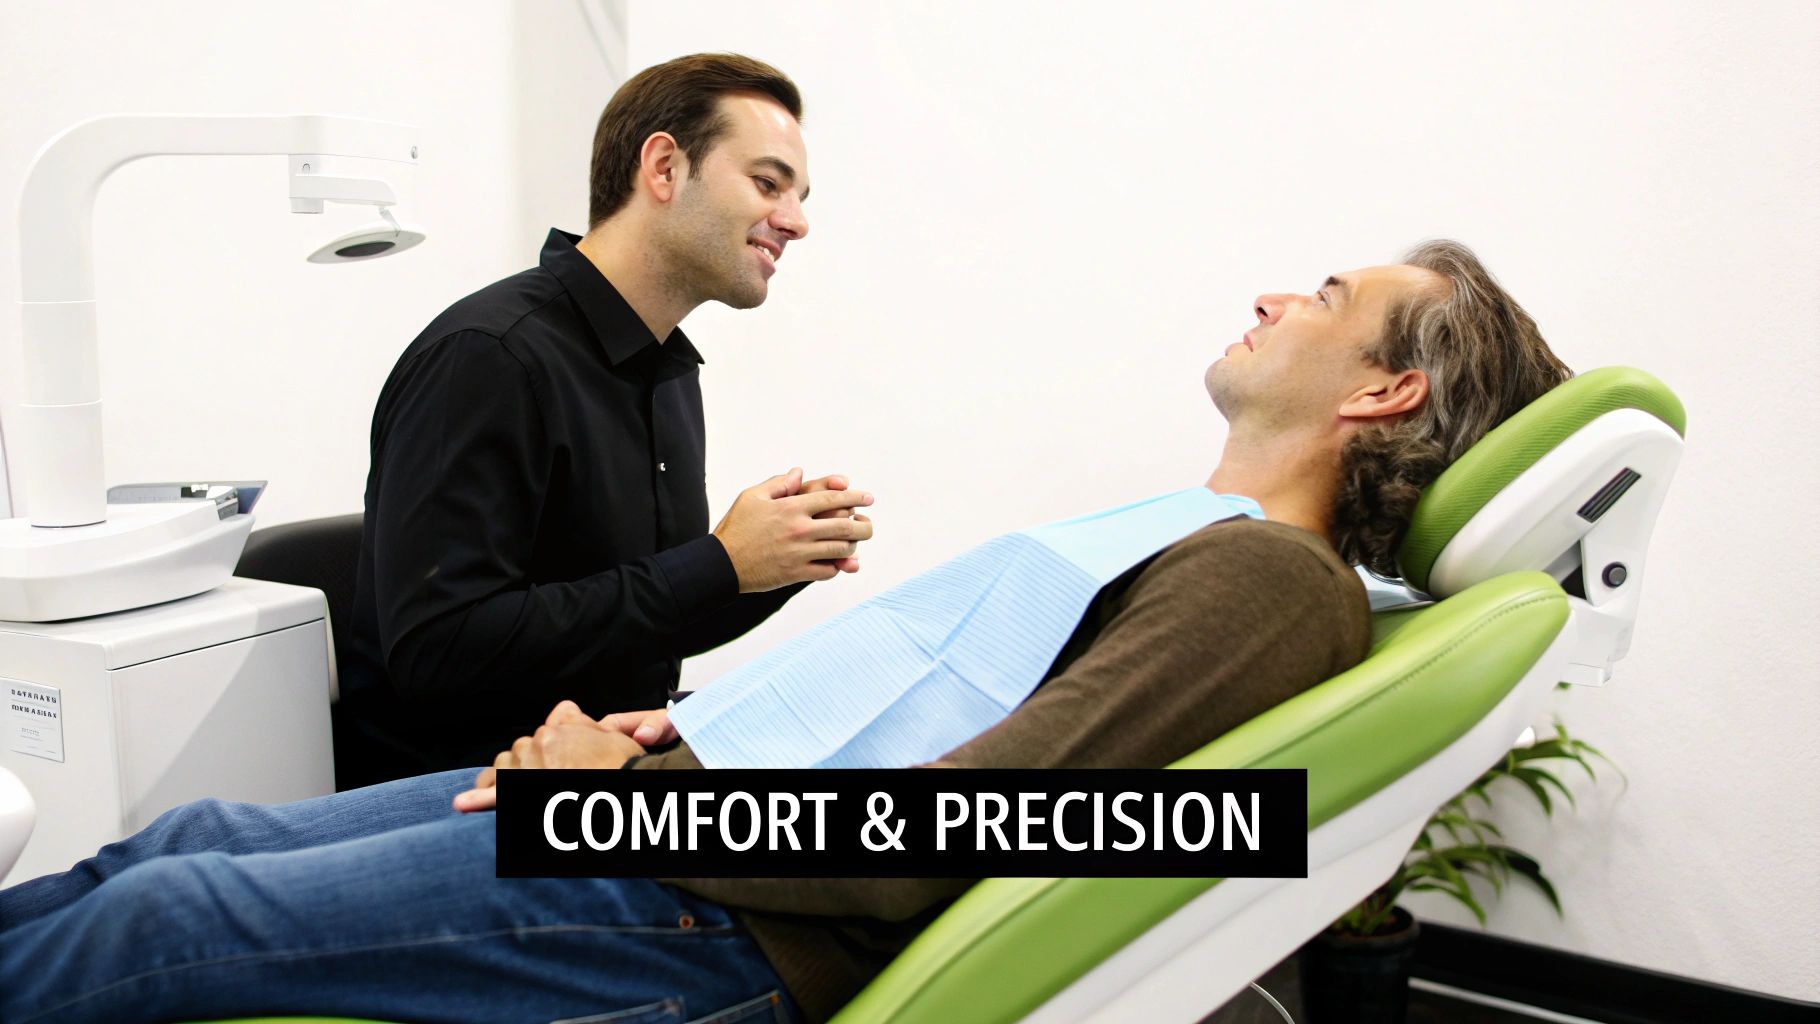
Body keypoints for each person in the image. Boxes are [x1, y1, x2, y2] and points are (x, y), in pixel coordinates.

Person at [0, 241, 1572, 1024]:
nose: (1278, 298)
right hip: (680, 818)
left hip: (717, 910)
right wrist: (675, 741)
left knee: (173, 912)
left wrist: (607, 807)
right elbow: (929, 720)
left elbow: (965, 828)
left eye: (1325, 296)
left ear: (1386, 393)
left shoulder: (1272, 585)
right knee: (194, 835)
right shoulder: (1200, 543)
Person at [337, 53, 877, 789]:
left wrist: (773, 563)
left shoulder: (667, 370)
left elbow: (636, 623)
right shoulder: (489, 357)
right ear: (664, 168)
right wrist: (718, 564)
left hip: (610, 755)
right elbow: (439, 652)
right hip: (470, 788)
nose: (797, 221)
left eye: (799, 196)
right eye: (768, 183)